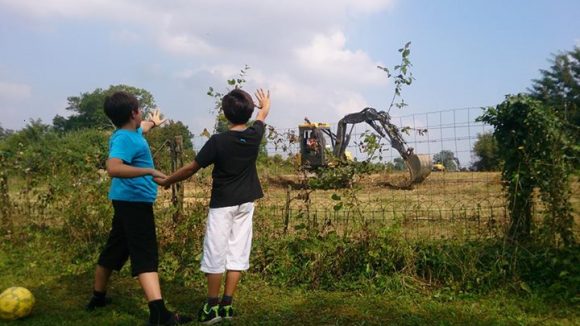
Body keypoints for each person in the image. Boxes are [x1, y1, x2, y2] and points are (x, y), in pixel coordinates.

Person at [155, 88, 271, 325]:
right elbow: (262, 116)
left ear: (224, 114)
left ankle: (211, 306)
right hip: (246, 203)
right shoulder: (254, 135)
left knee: (215, 253)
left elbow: (191, 168)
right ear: (249, 112)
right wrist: (264, 105)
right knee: (238, 252)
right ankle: (227, 305)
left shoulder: (217, 141)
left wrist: (167, 181)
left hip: (222, 205)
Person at [85, 91, 192, 325]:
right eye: (139, 110)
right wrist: (150, 171)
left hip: (127, 201)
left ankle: (98, 297)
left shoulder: (131, 131)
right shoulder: (125, 138)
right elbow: (113, 167)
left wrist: (153, 122)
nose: (142, 113)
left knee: (115, 248)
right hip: (134, 202)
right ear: (133, 113)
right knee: (145, 254)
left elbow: (143, 126)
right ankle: (159, 315)